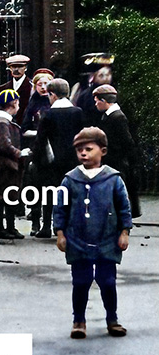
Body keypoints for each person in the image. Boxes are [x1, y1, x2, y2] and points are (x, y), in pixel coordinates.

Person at [53, 127, 132, 339]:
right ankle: (78, 320)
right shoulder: (70, 180)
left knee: (107, 281)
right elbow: (60, 207)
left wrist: (124, 232)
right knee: (80, 282)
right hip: (78, 239)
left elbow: (124, 207)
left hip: (107, 239)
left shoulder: (113, 179)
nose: (83, 154)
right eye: (79, 150)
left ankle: (112, 319)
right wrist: (60, 233)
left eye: (88, 149)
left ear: (103, 151)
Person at [32, 77, 83, 238]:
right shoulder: (78, 112)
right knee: (70, 194)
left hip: (51, 162)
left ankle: (47, 226)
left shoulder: (48, 115)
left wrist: (36, 159)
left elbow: (41, 140)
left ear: (52, 94)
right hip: (73, 161)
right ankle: (67, 226)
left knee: (49, 193)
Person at [0, 90, 29, 240]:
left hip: (5, 165)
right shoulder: (3, 123)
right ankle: (2, 228)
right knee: (3, 196)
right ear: (14, 102)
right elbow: (5, 146)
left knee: (9, 196)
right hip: (5, 166)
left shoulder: (4, 121)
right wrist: (20, 153)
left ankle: (8, 228)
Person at [95, 84, 141, 219]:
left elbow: (127, 141)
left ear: (104, 101)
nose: (95, 104)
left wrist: (131, 162)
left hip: (116, 160)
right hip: (114, 160)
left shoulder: (117, 117)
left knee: (118, 191)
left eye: (97, 100)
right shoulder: (110, 115)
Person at [21, 68, 54, 234]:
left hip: (52, 149)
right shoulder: (32, 105)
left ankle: (48, 223)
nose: (42, 87)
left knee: (50, 188)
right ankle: (35, 221)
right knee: (34, 186)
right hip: (36, 148)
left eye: (46, 84)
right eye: (39, 84)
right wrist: (40, 132)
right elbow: (24, 129)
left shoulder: (55, 104)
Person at [72, 53, 114, 127]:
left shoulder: (114, 92)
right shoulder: (86, 96)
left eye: (108, 74)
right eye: (101, 75)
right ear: (92, 77)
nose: (106, 78)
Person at [0, 53, 32, 127]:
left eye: (20, 66)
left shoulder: (31, 87)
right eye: (13, 67)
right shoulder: (3, 88)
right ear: (10, 68)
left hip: (26, 128)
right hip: (8, 127)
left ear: (25, 68)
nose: (16, 70)